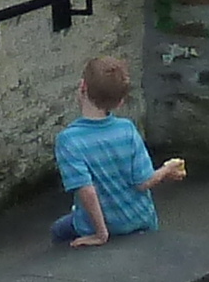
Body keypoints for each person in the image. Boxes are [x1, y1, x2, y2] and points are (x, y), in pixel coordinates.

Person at [53, 53, 186, 248]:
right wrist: (167, 169)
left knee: (58, 230)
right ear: (120, 102)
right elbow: (143, 182)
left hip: (103, 226)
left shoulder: (68, 140)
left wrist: (100, 233)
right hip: (140, 220)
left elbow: (87, 191)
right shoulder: (127, 129)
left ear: (82, 87)